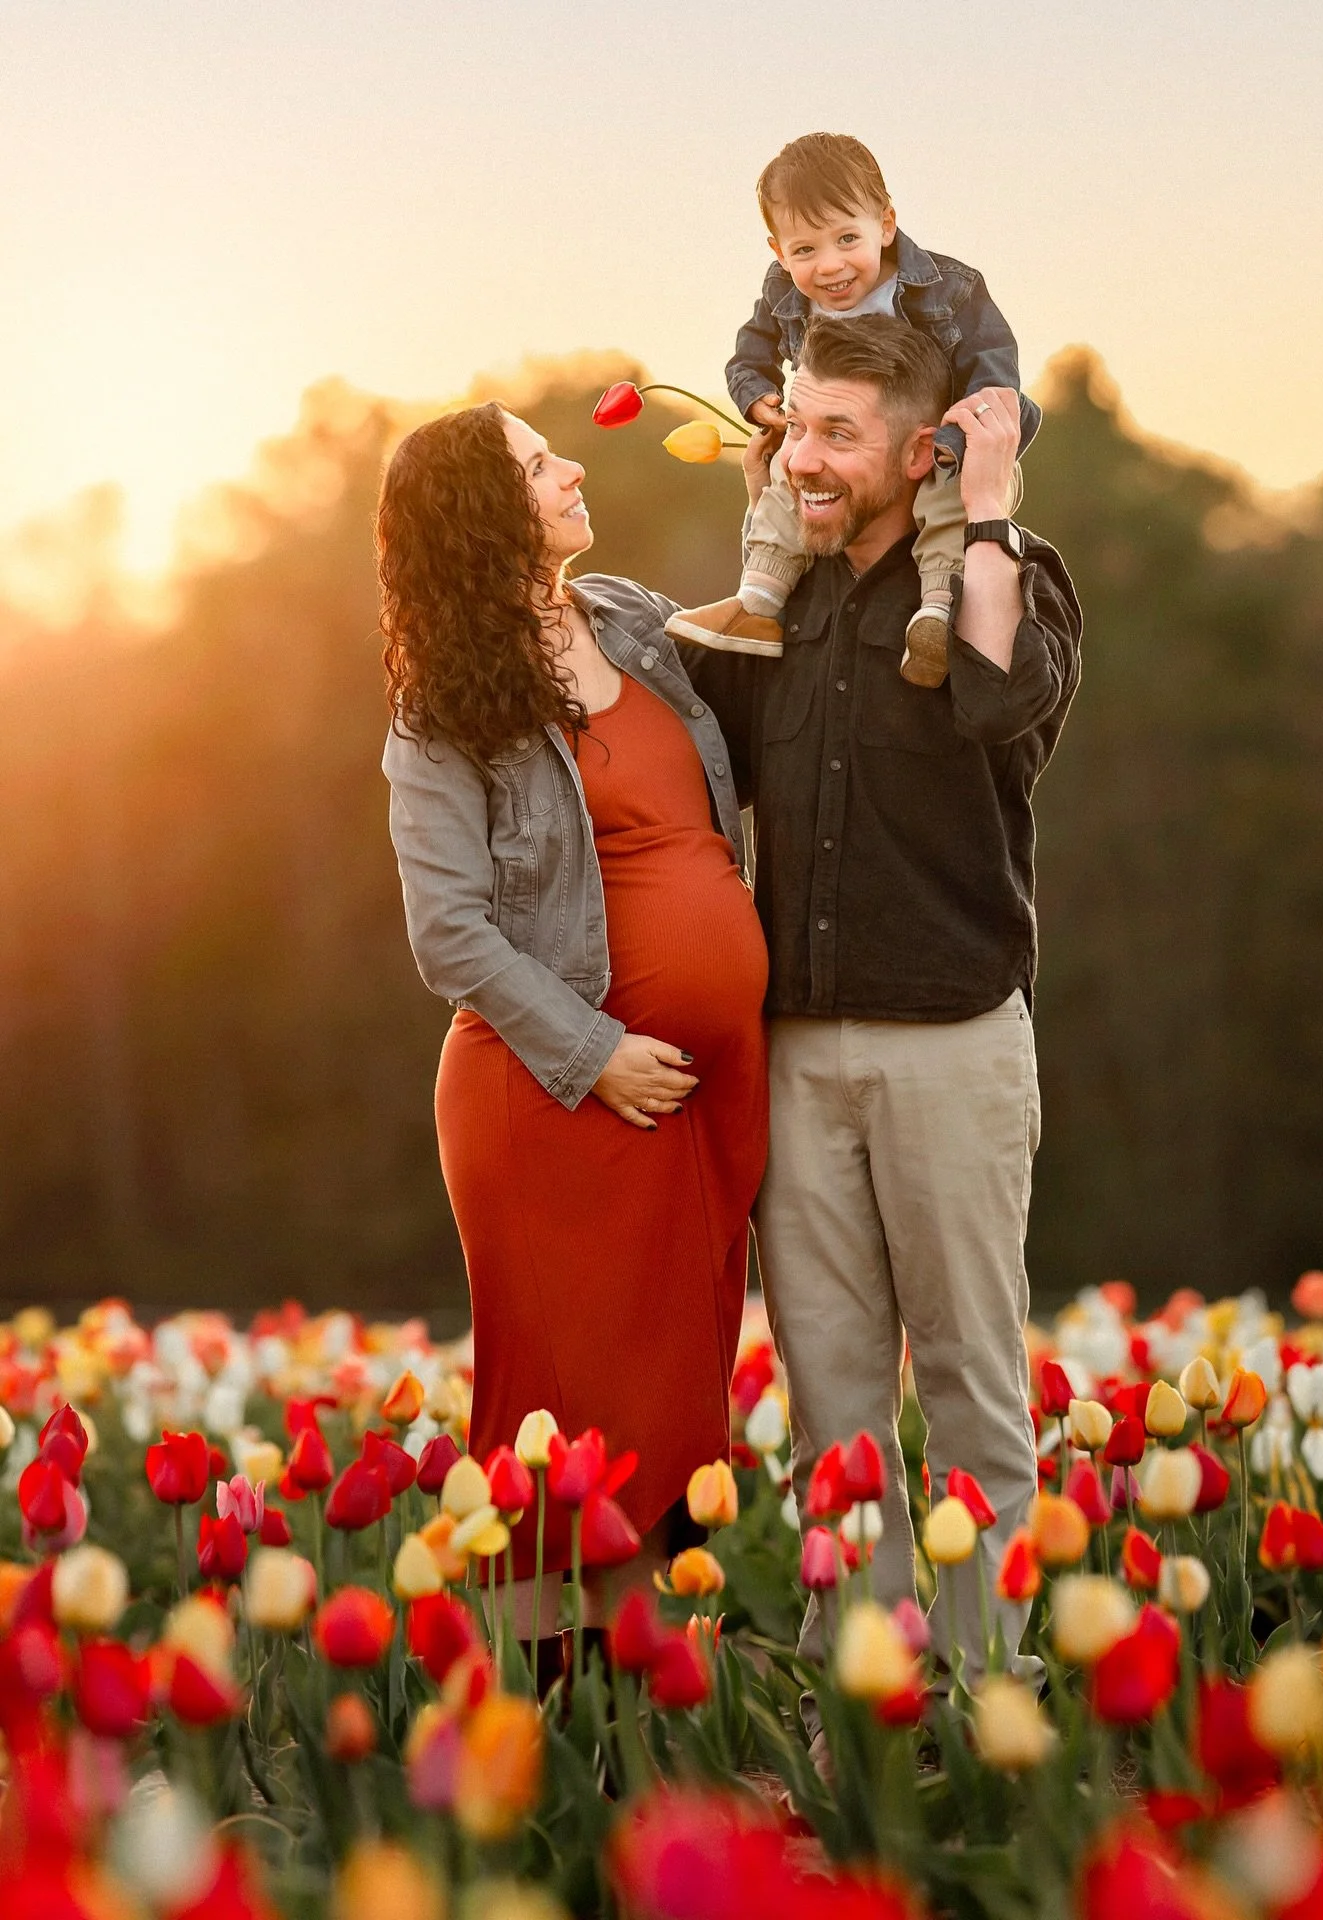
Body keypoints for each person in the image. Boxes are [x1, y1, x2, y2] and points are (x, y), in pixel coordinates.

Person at [677, 314, 1082, 1684]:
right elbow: (685, 768)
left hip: (954, 1045)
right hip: (794, 1056)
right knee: (833, 1398)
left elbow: (990, 701)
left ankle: (988, 1695)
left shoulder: (1006, 581)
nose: (800, 455)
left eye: (835, 433)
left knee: (972, 1377)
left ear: (920, 449)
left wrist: (989, 508)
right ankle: (859, 1694)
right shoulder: (767, 603)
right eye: (792, 424)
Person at [377, 403, 769, 1657]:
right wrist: (594, 1052)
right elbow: (450, 935)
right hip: (552, 1102)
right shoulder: (443, 708)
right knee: (556, 1417)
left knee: (669, 1409)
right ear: (486, 514)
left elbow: (770, 646)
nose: (572, 467)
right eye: (540, 465)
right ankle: (548, 1724)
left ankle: (648, 1723)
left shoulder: (634, 623)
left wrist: (778, 485)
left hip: (696, 1094)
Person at [664, 130, 1041, 689]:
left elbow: (996, 371)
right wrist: (758, 396)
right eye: (805, 251)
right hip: (854, 454)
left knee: (945, 500)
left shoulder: (947, 289)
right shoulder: (781, 291)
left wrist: (961, 446)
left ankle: (936, 611)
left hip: (932, 438)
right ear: (778, 251)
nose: (830, 267)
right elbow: (749, 353)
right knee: (780, 475)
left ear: (885, 225)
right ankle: (760, 601)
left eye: (847, 239)